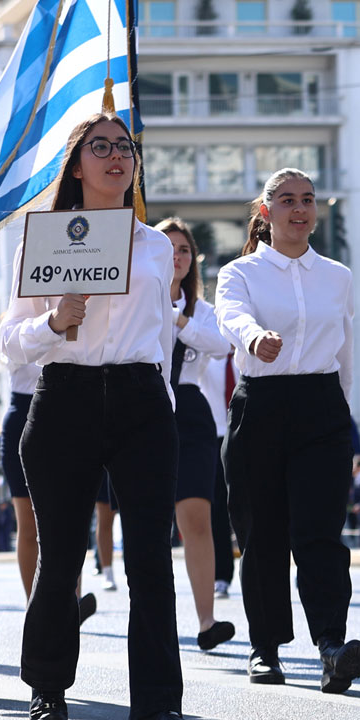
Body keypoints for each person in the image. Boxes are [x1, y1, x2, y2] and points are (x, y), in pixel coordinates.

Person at [0, 113, 196, 720]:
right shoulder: (42, 240)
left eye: (125, 147)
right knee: (62, 554)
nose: (116, 157)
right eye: (100, 146)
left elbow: (162, 337)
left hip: (142, 401)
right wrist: (55, 322)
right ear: (76, 164)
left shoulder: (156, 245)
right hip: (66, 397)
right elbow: (10, 342)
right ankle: (48, 688)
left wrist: (162, 402)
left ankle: (158, 707)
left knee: (150, 558)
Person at [215, 167, 360, 695]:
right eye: (286, 200)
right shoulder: (240, 273)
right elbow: (230, 315)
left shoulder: (337, 276)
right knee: (261, 533)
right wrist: (254, 338)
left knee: (321, 532)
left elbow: (346, 348)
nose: (299, 209)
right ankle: (265, 646)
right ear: (266, 212)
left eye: (307, 199)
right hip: (261, 404)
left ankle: (331, 646)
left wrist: (342, 411)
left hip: (322, 407)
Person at [156, 217, 236, 652]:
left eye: (184, 249)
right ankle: (155, 624)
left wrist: (179, 320)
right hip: (146, 409)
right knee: (150, 526)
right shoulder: (136, 301)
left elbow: (222, 345)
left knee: (197, 520)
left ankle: (207, 621)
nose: (177, 257)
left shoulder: (203, 311)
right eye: (168, 248)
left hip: (190, 413)